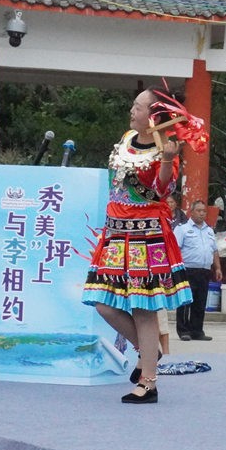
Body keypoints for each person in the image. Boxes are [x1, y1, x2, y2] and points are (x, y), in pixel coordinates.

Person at [81, 87, 193, 404]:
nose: (132, 110)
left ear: (155, 118)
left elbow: (161, 189)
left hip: (146, 236)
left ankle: (148, 381)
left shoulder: (165, 150)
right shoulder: (127, 137)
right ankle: (149, 352)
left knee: (143, 309)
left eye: (139, 107)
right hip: (116, 233)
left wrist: (169, 160)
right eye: (133, 104)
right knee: (103, 303)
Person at [173, 201, 223, 341]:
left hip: (204, 270)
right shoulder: (182, 229)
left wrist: (217, 268)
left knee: (200, 302)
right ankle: (183, 331)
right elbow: (175, 249)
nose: (202, 213)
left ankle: (197, 331)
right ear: (191, 212)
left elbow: (214, 250)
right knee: (185, 302)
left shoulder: (209, 230)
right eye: (199, 211)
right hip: (187, 270)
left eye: (204, 211)